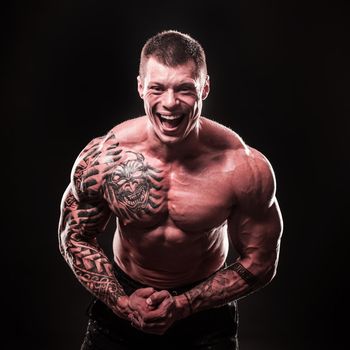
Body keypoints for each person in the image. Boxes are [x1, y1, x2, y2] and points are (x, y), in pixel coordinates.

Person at [58, 29, 283, 350]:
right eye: (157, 88)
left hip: (205, 312)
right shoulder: (103, 159)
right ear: (140, 87)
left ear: (204, 88)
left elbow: (262, 261)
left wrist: (186, 304)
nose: (170, 103)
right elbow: (74, 236)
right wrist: (122, 303)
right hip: (122, 303)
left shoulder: (243, 167)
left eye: (184, 89)